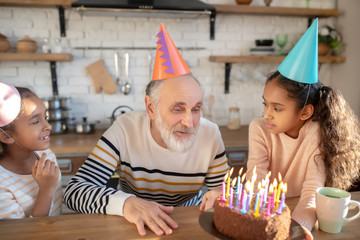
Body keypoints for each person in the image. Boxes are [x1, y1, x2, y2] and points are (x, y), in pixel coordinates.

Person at [64, 24, 229, 236]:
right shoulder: (125, 129)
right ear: (151, 108)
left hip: (187, 221)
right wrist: (126, 204)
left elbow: (225, 191)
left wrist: (221, 195)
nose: (190, 122)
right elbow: (75, 191)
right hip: (131, 224)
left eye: (196, 109)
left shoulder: (210, 134)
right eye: (178, 109)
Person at [246, 19, 360, 232]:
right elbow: (256, 180)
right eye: (265, 104)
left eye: (277, 108)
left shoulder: (316, 134)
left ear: (305, 112)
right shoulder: (259, 128)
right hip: (268, 213)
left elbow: (310, 195)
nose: (267, 114)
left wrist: (297, 232)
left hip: (301, 215)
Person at [0, 83, 62, 219]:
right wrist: (46, 189)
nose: (48, 126)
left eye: (45, 118)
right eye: (35, 122)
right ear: (6, 136)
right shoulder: (2, 183)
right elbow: (25, 234)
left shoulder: (48, 156)